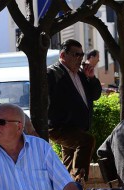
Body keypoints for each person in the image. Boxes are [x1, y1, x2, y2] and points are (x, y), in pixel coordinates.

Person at [47, 39, 102, 180]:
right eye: (75, 54)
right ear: (63, 55)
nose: (79, 58)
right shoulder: (53, 73)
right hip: (60, 126)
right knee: (86, 141)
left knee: (69, 162)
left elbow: (95, 95)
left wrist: (92, 78)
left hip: (76, 128)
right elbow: (46, 100)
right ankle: (79, 182)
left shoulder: (82, 74)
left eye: (81, 55)